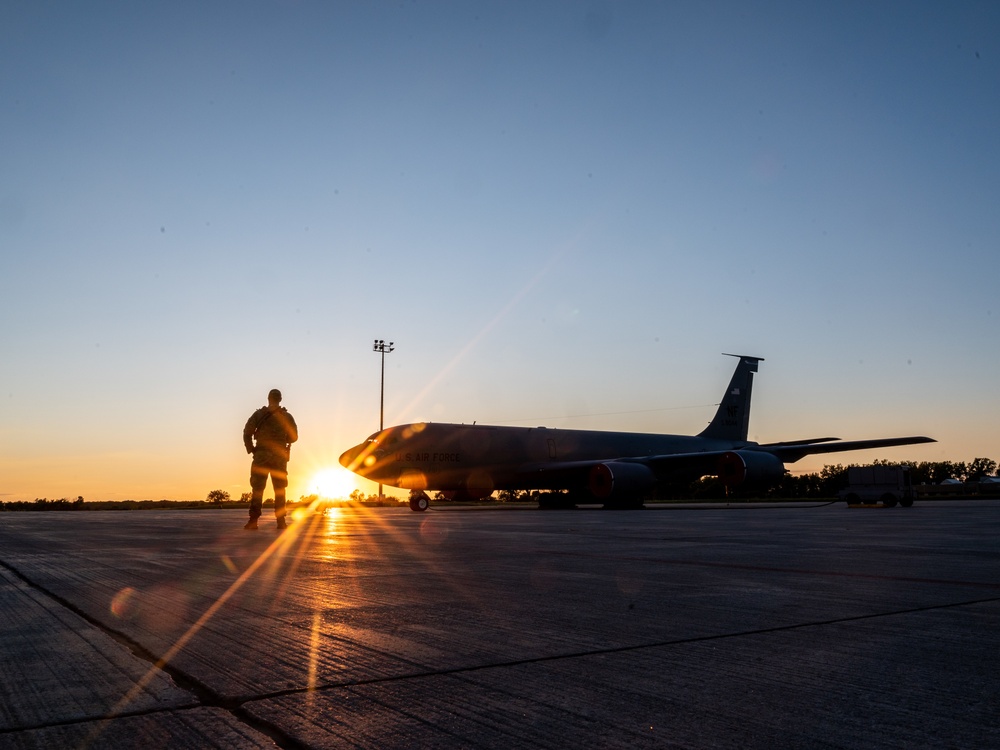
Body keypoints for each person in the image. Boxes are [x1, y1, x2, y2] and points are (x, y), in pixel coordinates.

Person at [243, 389, 298, 530]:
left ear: (268, 398)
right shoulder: (287, 416)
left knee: (257, 489)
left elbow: (247, 432)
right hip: (279, 457)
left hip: (261, 456)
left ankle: (253, 521)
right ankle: (281, 521)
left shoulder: (258, 414)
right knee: (280, 489)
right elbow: (294, 437)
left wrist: (252, 449)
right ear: (280, 399)